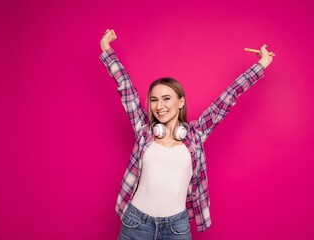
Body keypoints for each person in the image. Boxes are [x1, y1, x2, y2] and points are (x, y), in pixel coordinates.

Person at [99, 29, 273, 240]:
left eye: (166, 98)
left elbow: (228, 97)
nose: (159, 106)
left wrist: (261, 64)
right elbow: (126, 87)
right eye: (154, 100)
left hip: (176, 228)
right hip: (136, 223)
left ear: (180, 102)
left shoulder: (196, 136)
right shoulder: (144, 131)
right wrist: (106, 49)